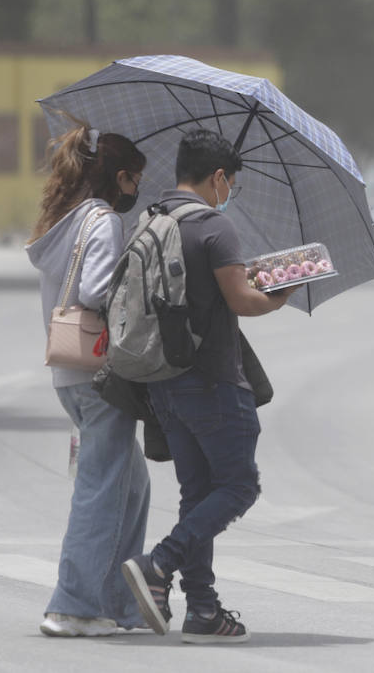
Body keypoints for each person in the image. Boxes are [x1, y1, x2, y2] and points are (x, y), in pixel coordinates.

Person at [121, 129, 296, 644]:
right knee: (239, 486)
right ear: (218, 177)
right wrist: (280, 293)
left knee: (197, 495)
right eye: (230, 183)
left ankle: (203, 609)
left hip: (162, 381)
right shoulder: (215, 228)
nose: (229, 192)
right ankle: (160, 564)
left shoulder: (151, 219)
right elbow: (242, 301)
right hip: (215, 381)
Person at [26, 123, 149, 637]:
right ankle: (73, 606)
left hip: (69, 375)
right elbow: (98, 291)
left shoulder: (67, 218)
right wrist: (139, 273)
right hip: (99, 374)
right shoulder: (102, 223)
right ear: (120, 177)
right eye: (135, 180)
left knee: (132, 485)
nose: (137, 190)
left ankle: (119, 604)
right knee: (102, 487)